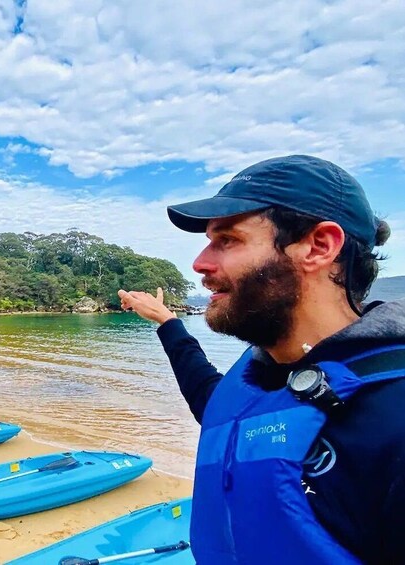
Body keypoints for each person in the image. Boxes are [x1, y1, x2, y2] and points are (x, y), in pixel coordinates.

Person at [118, 155, 405, 564]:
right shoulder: (255, 377)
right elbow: (216, 403)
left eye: (228, 240)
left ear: (318, 246)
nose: (200, 263)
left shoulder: (395, 416)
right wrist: (166, 322)